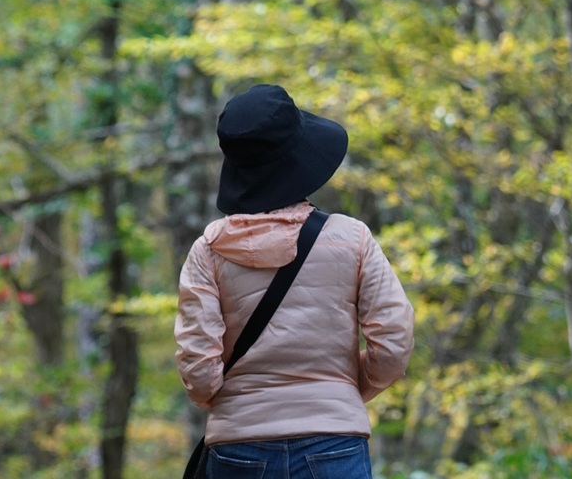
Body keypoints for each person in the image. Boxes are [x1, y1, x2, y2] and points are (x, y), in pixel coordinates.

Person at [174, 84, 414, 479]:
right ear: (302, 156)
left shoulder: (209, 251)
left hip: (239, 451)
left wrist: (242, 404)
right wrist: (341, 392)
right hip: (335, 444)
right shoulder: (352, 238)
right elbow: (393, 344)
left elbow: (199, 375)